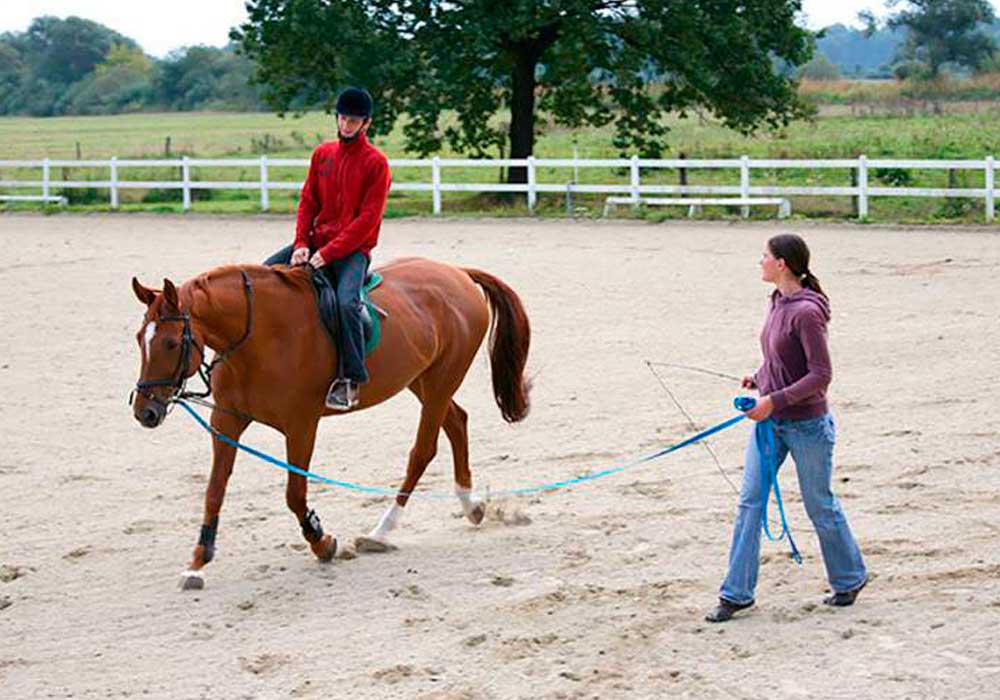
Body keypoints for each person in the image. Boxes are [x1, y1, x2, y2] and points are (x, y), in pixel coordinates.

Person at [706, 233, 868, 623]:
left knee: (820, 505)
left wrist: (773, 401)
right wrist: (760, 378)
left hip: (807, 425)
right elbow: (780, 357)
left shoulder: (806, 312)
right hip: (771, 424)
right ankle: (736, 594)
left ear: (781, 264)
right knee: (749, 502)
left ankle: (849, 578)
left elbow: (820, 375)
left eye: (764, 256)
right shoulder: (777, 301)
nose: (759, 261)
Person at [265, 87, 391, 410]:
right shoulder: (323, 155)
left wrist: (327, 254)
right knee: (264, 274)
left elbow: (366, 221)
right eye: (343, 118)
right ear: (337, 118)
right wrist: (302, 243)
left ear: (366, 124)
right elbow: (308, 201)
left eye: (354, 121)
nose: (347, 125)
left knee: (348, 304)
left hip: (352, 252)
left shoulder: (377, 164)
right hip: (315, 243)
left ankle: (351, 378)